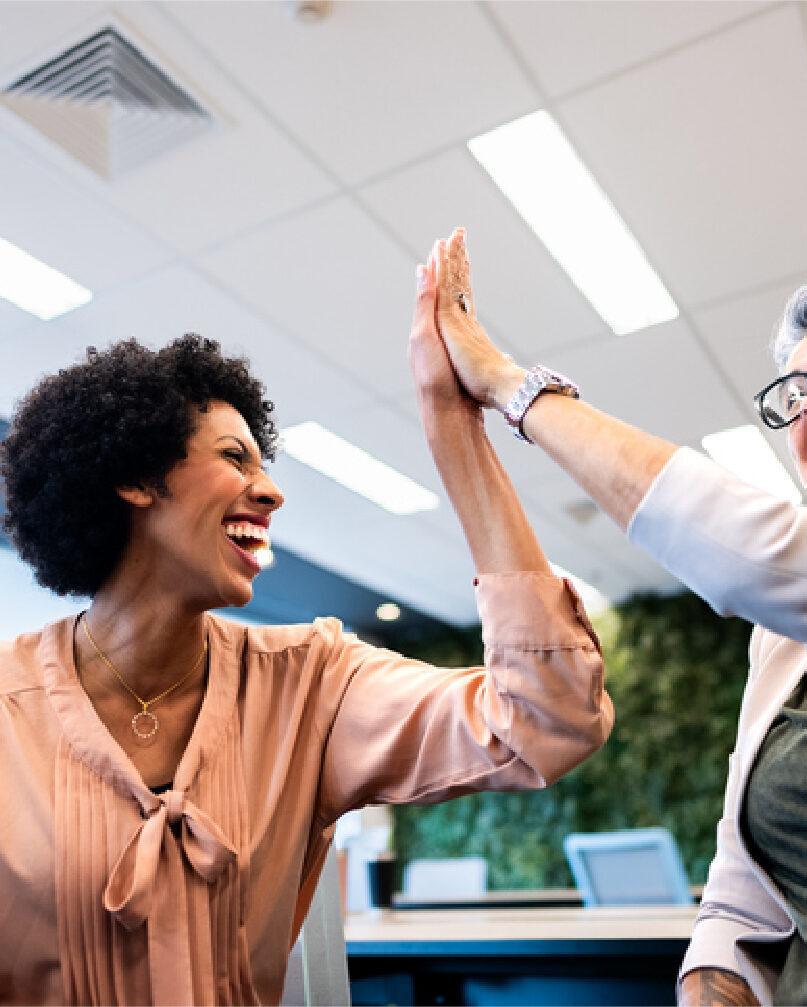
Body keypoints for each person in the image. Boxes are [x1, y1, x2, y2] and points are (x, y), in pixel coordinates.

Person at [0, 250, 613, 1005]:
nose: (272, 490)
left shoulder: (312, 683)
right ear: (133, 477)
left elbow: (545, 719)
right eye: (235, 457)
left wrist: (454, 429)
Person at [431, 227, 807, 1006]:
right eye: (795, 392)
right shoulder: (783, 640)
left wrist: (507, 385)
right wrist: (712, 980)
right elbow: (741, 892)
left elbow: (777, 561)